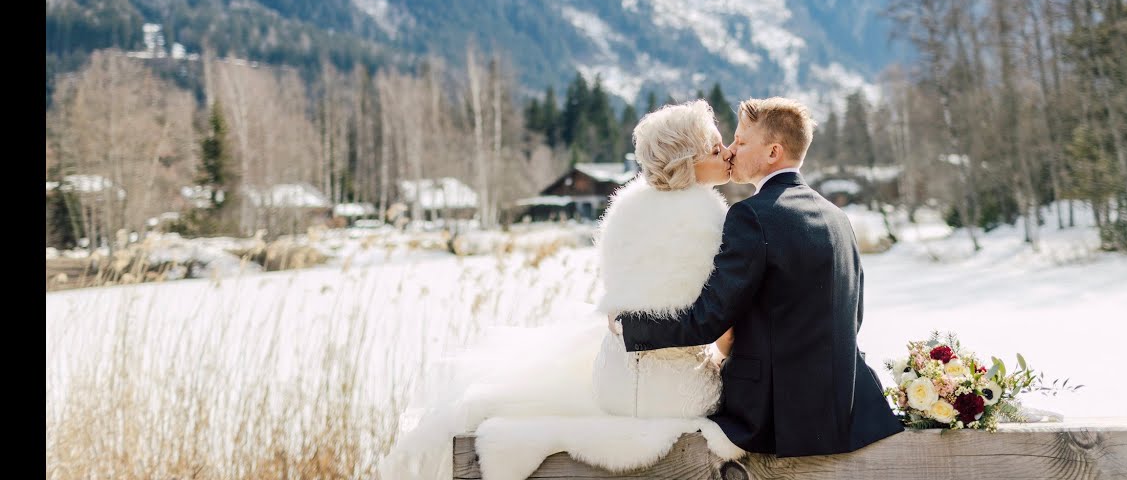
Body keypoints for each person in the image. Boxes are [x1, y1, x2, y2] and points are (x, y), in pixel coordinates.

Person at [379, 99, 744, 480]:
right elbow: (715, 319)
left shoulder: (626, 208)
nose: (727, 154)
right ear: (687, 160)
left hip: (613, 382)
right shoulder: (711, 216)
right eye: (716, 149)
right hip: (677, 393)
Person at [614, 96, 904, 457]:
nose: (731, 150)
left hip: (769, 418)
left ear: (772, 153)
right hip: (847, 408)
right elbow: (853, 315)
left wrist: (630, 328)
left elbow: (708, 320)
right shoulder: (837, 218)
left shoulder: (752, 216)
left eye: (741, 141)